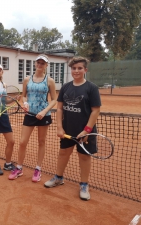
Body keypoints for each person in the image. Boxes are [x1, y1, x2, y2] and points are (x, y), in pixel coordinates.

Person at [43, 56, 101, 201]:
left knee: (84, 157)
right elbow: (60, 108)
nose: (76, 71)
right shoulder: (66, 87)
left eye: (79, 68)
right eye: (74, 68)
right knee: (63, 153)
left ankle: (84, 184)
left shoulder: (91, 88)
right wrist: (59, 127)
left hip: (86, 131)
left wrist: (87, 130)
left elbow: (95, 110)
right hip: (67, 129)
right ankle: (58, 177)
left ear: (85, 70)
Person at [8, 54, 57, 182]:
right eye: (38, 63)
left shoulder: (49, 81)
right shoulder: (27, 79)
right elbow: (24, 96)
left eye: (43, 63)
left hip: (43, 115)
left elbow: (54, 99)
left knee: (41, 142)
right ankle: (19, 168)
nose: (40, 65)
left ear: (46, 65)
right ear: (35, 64)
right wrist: (25, 104)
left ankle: (38, 169)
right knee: (23, 142)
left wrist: (45, 111)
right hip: (29, 114)